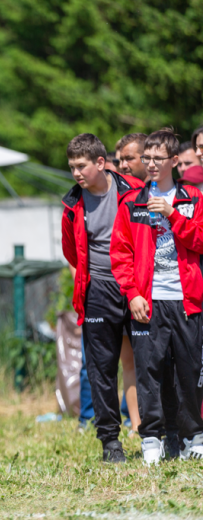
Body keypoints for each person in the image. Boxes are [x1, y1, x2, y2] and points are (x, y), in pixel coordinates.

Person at [111, 128, 203, 464]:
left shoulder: (192, 198)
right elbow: (120, 252)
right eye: (146, 158)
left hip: (186, 298)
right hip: (147, 301)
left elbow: (200, 241)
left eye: (157, 159)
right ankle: (152, 437)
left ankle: (193, 434)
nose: (150, 164)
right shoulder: (131, 202)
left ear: (174, 161)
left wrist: (171, 214)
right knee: (149, 370)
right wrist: (132, 293)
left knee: (189, 370)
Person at [60, 133, 144, 463]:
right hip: (98, 290)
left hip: (136, 288)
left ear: (100, 162)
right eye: (71, 167)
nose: (76, 173)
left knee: (149, 362)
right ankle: (110, 440)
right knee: (101, 369)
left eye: (81, 166)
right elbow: (71, 252)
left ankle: (155, 433)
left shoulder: (134, 191)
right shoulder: (71, 204)